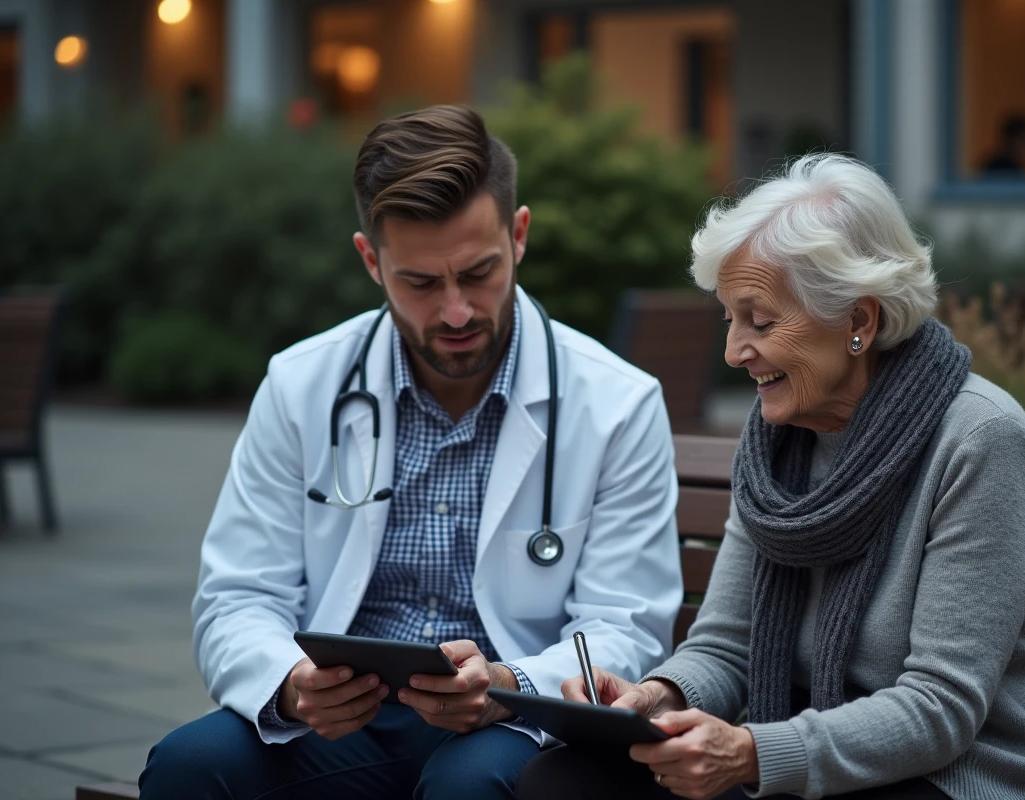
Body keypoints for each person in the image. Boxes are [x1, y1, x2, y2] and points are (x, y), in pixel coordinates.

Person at [139, 105, 683, 800]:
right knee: (187, 767)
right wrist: (292, 687)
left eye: (479, 273)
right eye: (421, 283)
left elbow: (624, 629)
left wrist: (506, 686)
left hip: (511, 724)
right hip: (340, 725)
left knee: (470, 787)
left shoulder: (617, 402)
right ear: (371, 261)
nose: (456, 311)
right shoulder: (302, 383)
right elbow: (239, 596)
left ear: (518, 238)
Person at [516, 154, 1025, 800]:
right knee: (563, 781)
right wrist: (656, 698)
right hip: (815, 764)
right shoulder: (777, 441)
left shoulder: (981, 440)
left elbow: (940, 710)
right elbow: (726, 647)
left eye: (760, 321)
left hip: (971, 777)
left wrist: (750, 752)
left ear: (859, 321)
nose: (734, 351)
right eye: (730, 320)